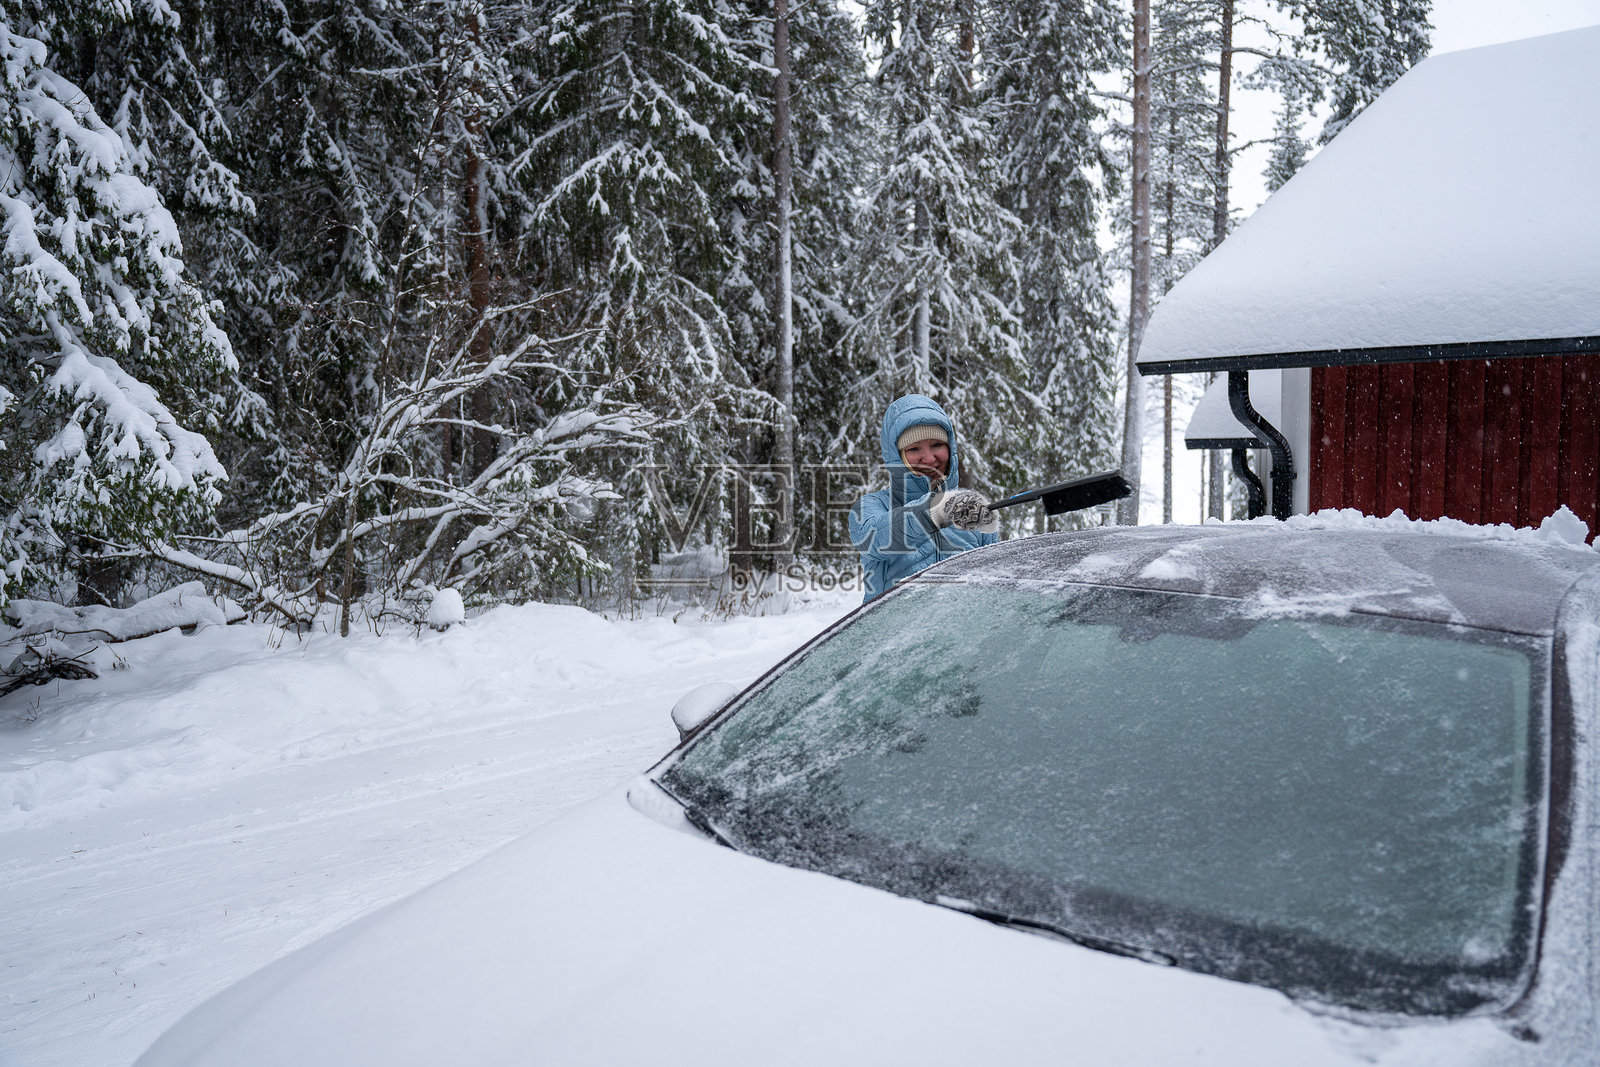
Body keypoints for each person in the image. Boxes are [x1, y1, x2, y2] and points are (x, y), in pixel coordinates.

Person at [849, 394, 998, 603]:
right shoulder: (873, 506)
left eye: (937, 444)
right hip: (894, 634)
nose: (928, 458)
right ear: (896, 456)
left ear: (950, 447)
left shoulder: (970, 508)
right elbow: (873, 539)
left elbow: (994, 590)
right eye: (913, 449)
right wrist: (936, 511)